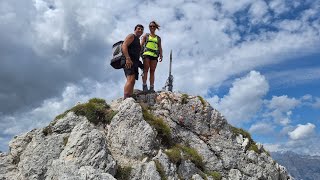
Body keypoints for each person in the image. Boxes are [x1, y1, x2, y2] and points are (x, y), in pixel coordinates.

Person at [122, 24, 144, 99]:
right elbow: (124, 45)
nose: (140, 30)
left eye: (141, 29)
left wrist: (141, 66)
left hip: (134, 62)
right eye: (139, 29)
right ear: (135, 30)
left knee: (133, 80)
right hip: (128, 60)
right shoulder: (131, 36)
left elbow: (137, 54)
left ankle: (130, 96)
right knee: (130, 78)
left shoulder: (138, 41)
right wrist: (127, 58)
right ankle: (126, 98)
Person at [141, 21, 163, 92]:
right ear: (149, 27)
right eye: (151, 26)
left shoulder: (158, 38)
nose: (152, 27)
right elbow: (141, 45)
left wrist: (161, 55)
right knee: (145, 70)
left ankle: (151, 87)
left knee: (152, 71)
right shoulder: (146, 35)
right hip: (146, 53)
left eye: (153, 26)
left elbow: (160, 47)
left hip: (154, 55)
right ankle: (144, 86)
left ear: (156, 27)